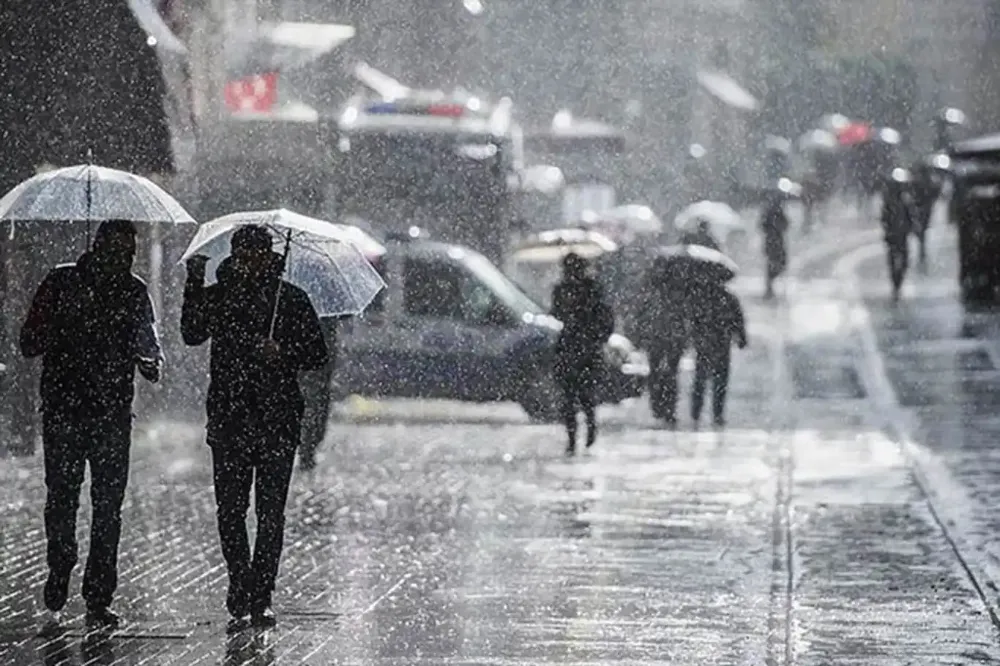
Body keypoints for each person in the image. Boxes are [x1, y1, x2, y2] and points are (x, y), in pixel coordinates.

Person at [181, 225, 328, 631]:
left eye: (254, 255)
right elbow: (192, 333)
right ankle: (239, 581)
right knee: (230, 510)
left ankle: (261, 594)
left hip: (277, 419)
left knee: (270, 513)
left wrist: (283, 352)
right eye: (241, 255)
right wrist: (194, 283)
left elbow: (316, 354)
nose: (247, 263)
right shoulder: (220, 295)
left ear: (268, 257)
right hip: (229, 418)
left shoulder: (290, 299)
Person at [19, 219, 162, 629]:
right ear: (97, 247)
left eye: (129, 253)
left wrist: (149, 363)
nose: (123, 260)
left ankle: (99, 595)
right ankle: (61, 563)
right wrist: (67, 321)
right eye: (116, 251)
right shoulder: (61, 283)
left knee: (108, 508)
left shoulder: (134, 292)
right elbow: (29, 342)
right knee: (62, 498)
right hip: (64, 411)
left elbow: (149, 345)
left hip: (112, 415)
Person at [550, 253, 614, 455]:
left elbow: (604, 317)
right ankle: (573, 438)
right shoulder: (562, 289)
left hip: (585, 348)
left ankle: (588, 430)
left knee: (584, 396)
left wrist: (595, 335)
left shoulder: (592, 288)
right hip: (570, 347)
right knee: (570, 398)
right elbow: (556, 313)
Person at [635, 256, 689, 425]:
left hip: (661, 337)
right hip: (666, 337)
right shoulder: (676, 289)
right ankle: (665, 407)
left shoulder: (652, 288)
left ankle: (661, 406)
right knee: (666, 374)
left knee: (660, 373)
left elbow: (641, 313)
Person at [689, 280, 747, 426]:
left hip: (707, 345)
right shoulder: (728, 298)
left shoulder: (702, 298)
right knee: (718, 380)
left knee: (702, 379)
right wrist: (741, 338)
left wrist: (694, 337)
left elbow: (693, 321)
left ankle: (697, 412)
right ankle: (716, 413)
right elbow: (738, 321)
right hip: (720, 345)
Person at [880, 171, 915, 301]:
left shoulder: (905, 200)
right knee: (895, 260)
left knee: (903, 261)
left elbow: (910, 216)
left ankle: (897, 282)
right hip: (894, 237)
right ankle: (896, 284)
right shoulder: (890, 201)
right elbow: (884, 219)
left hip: (901, 236)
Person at [760, 197, 789, 299]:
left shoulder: (771, 214)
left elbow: (763, 226)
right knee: (775, 264)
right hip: (774, 243)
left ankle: (771, 287)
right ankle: (771, 287)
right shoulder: (775, 214)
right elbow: (785, 225)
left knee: (774, 264)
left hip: (774, 242)